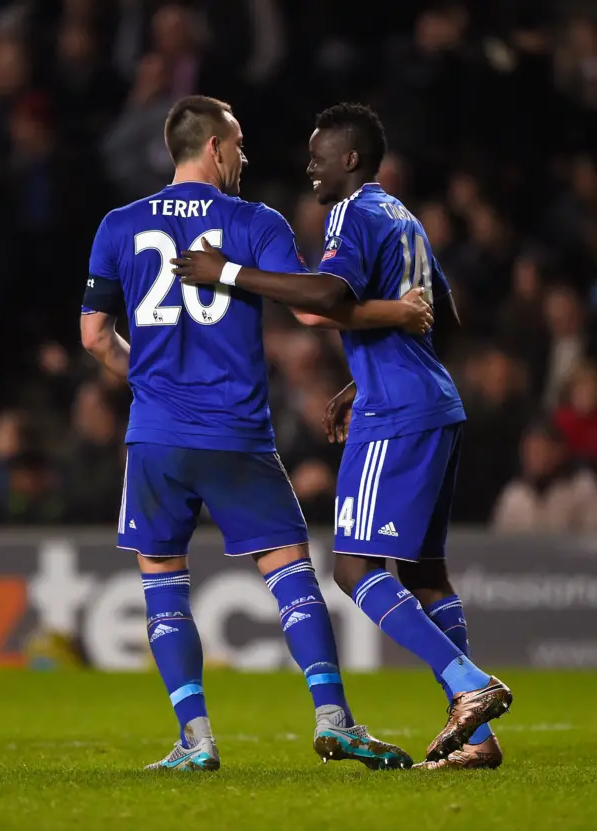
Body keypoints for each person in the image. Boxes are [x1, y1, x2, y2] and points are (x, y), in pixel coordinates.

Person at [80, 95, 434, 772]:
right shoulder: (255, 221)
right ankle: (334, 717)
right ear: (214, 148)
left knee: (161, 578)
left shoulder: (118, 224)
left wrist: (154, 382)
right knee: (290, 571)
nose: (243, 156)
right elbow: (309, 311)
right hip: (237, 434)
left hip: (155, 435)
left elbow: (95, 336)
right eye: (237, 144)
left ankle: (196, 738)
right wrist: (395, 311)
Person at [172, 102, 513, 769]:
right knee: (424, 572)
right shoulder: (403, 217)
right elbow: (445, 315)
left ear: (350, 159)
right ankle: (478, 738)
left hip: (398, 417)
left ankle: (470, 685)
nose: (310, 166)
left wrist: (229, 274)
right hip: (432, 403)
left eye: (319, 154)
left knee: (353, 567)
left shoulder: (351, 214)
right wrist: (365, 375)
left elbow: (326, 297)